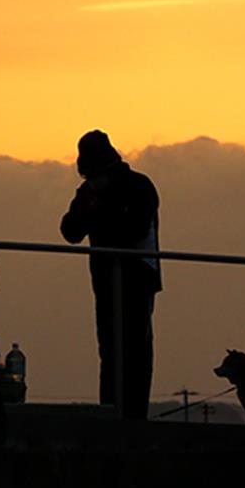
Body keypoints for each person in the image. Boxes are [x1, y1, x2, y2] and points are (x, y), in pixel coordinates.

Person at [60, 130, 161, 419]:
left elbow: (135, 231)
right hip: (104, 280)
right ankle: (111, 414)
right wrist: (87, 210)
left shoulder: (139, 187)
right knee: (109, 350)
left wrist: (97, 213)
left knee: (135, 352)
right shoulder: (89, 192)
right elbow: (70, 231)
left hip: (138, 278)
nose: (92, 181)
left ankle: (133, 417)